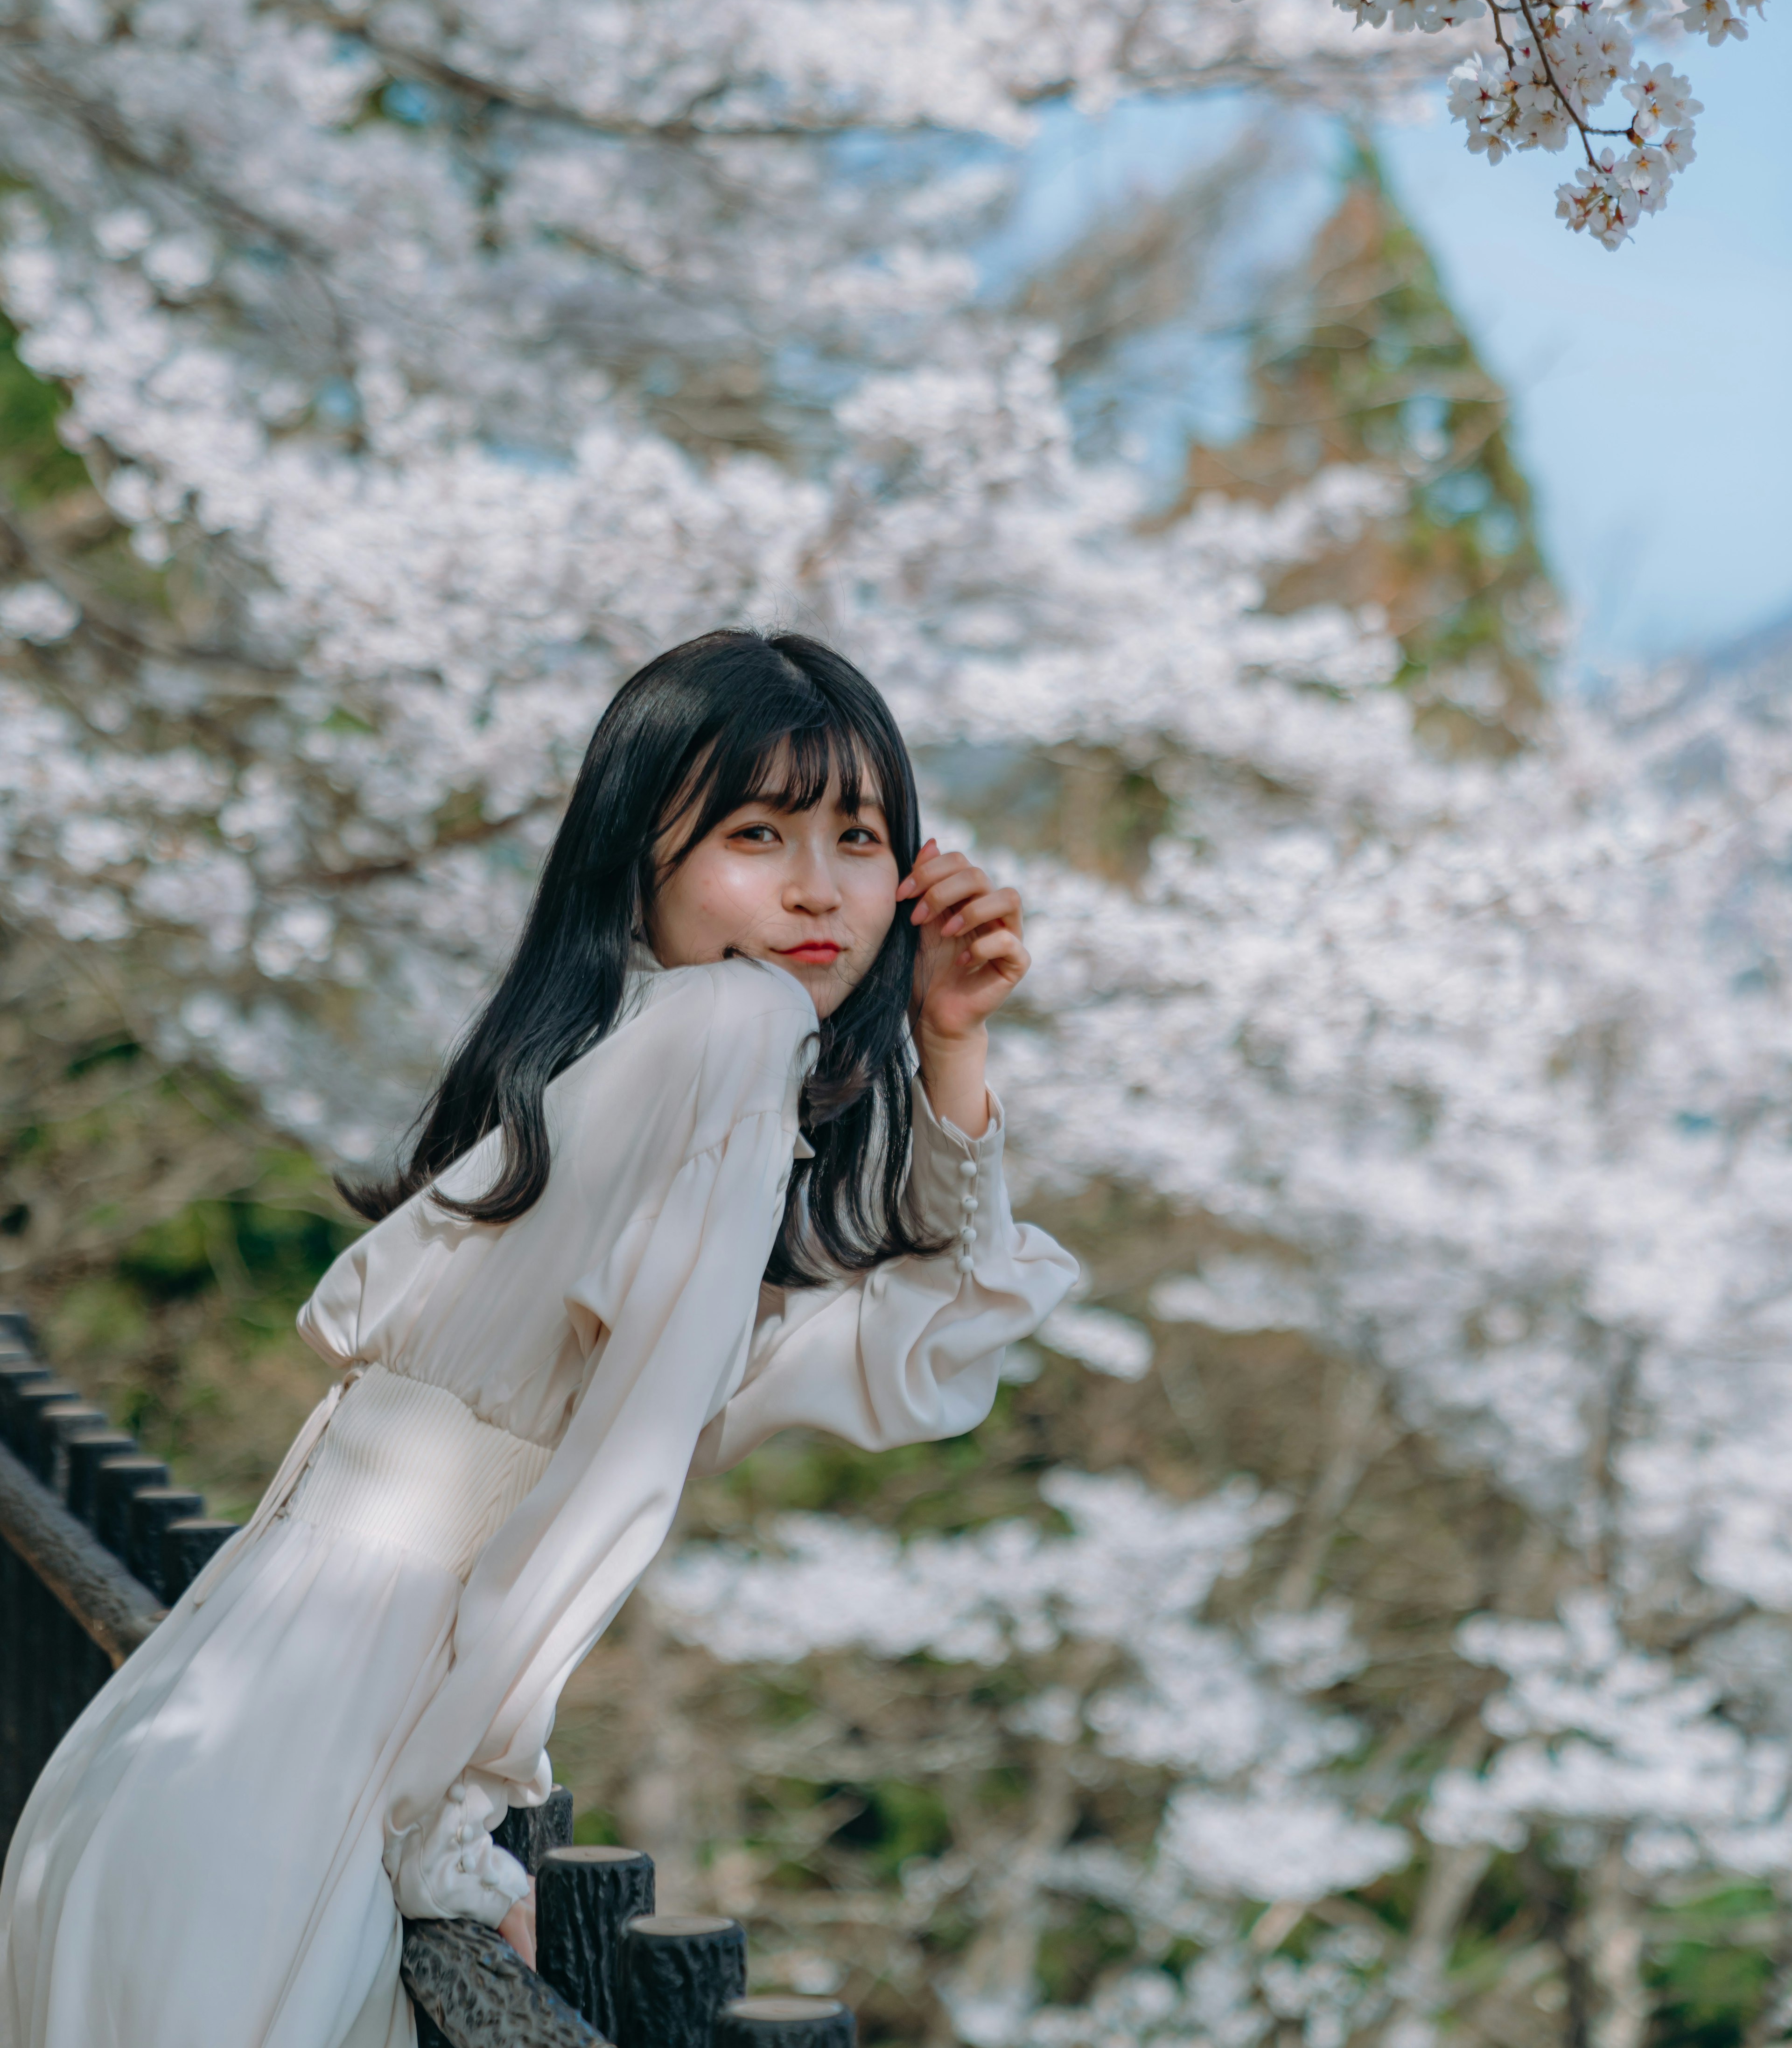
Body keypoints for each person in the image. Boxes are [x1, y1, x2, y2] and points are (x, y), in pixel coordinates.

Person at [0, 628, 1077, 2048]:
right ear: (644, 854)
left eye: (861, 837)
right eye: (759, 832)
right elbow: (616, 1480)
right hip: (334, 1754)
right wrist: (460, 1811)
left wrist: (952, 1047)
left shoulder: (629, 1048)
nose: (820, 887)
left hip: (232, 1721)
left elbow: (910, 1340)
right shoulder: (730, 1030)